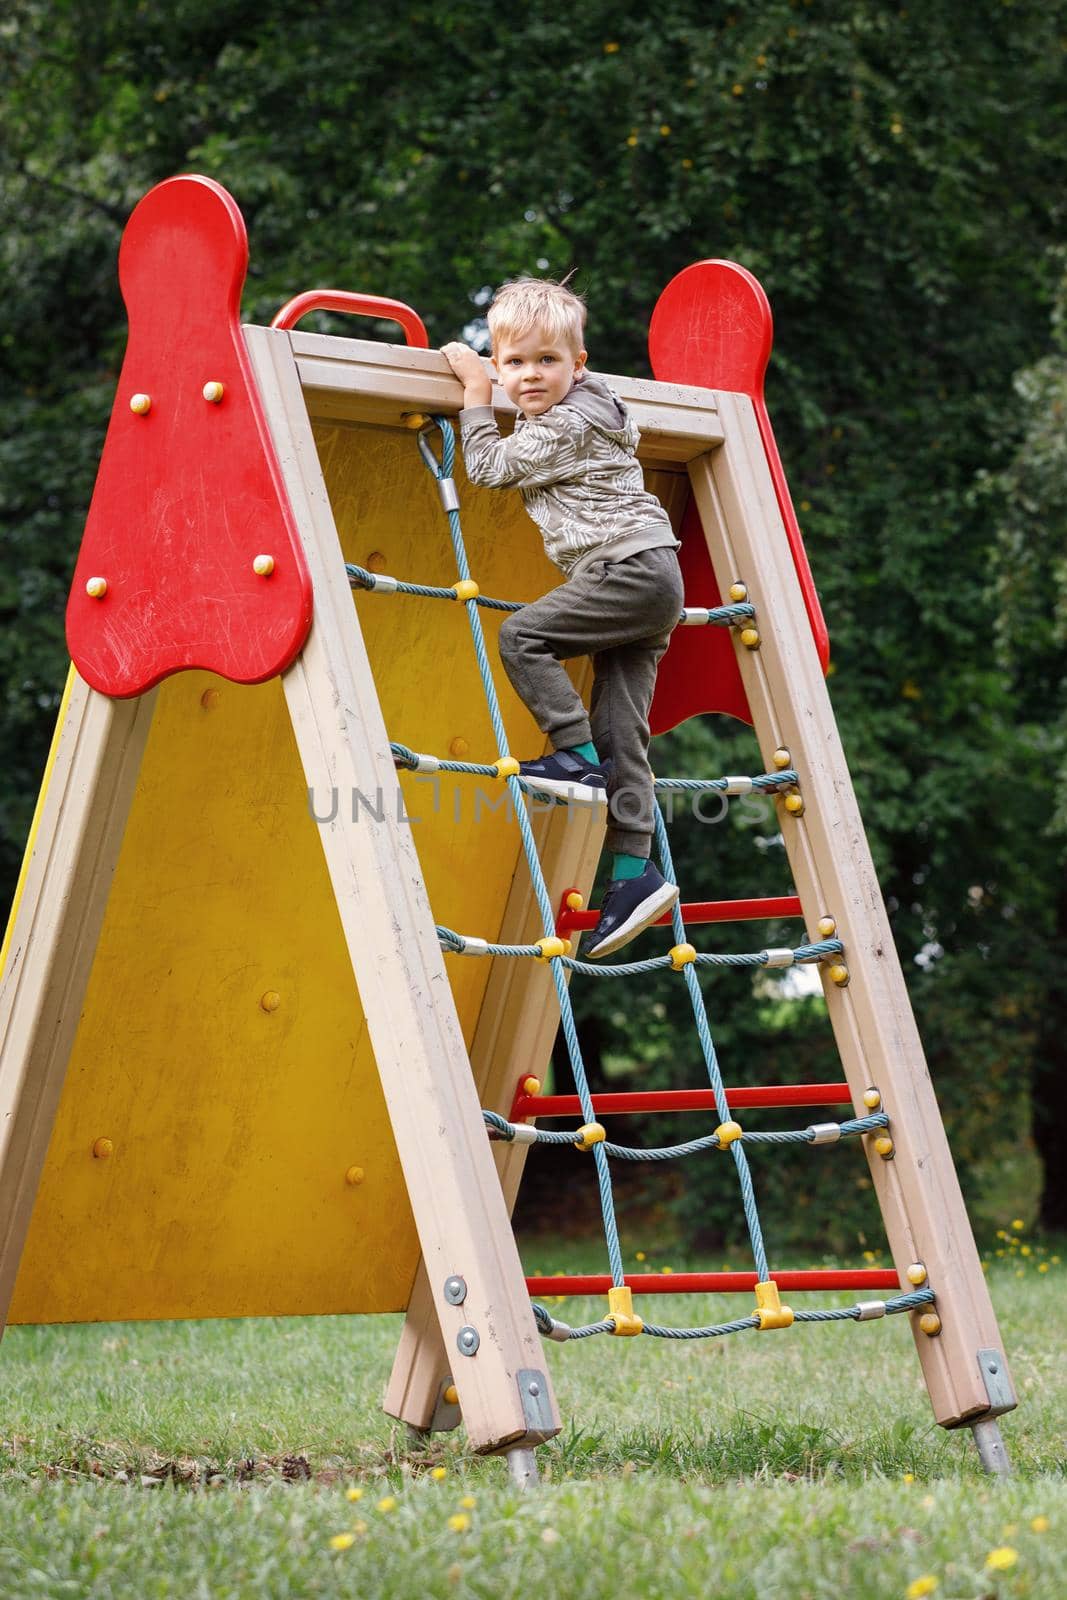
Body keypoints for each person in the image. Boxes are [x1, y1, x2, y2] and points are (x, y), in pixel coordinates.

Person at [440, 276, 683, 958]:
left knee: (522, 636)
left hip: (626, 570)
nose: (528, 376)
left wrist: (475, 389)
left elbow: (486, 466)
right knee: (622, 733)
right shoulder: (595, 411)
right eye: (512, 363)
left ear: (577, 366)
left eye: (545, 361)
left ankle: (572, 759)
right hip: (653, 575)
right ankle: (634, 875)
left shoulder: (567, 423)